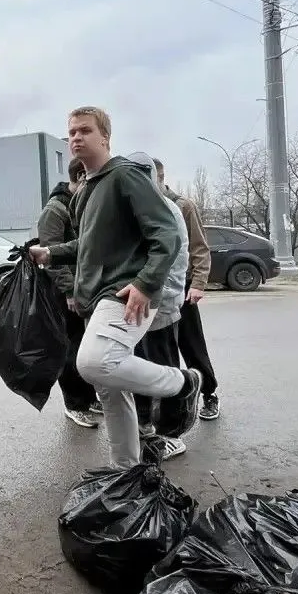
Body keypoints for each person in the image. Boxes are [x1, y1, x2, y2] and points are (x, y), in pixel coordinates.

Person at [27, 106, 202, 470]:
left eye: (85, 130)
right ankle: (126, 469)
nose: (76, 137)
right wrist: (50, 253)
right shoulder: (85, 190)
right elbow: (89, 245)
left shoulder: (126, 175)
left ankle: (182, 383)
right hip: (95, 298)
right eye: (71, 132)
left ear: (105, 137)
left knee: (93, 362)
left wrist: (145, 284)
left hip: (124, 292)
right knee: (110, 389)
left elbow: (166, 234)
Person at [126, 152, 190, 462]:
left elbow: (174, 262)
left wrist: (163, 299)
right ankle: (144, 423)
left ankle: (171, 434)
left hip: (161, 306)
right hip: (136, 306)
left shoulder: (166, 210)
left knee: (165, 370)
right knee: (139, 367)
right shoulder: (136, 208)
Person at [36, 156, 101, 429]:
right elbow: (50, 255)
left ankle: (88, 397)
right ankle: (75, 404)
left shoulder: (78, 204)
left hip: (82, 287)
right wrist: (69, 291)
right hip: (64, 292)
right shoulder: (55, 209)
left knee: (85, 347)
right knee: (70, 349)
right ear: (80, 177)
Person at [154, 158, 220, 420]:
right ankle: (166, 405)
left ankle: (209, 394)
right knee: (161, 350)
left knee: (192, 345)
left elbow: (199, 247)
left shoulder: (183, 206)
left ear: (160, 177)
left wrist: (198, 284)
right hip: (155, 291)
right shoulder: (144, 206)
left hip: (183, 288)